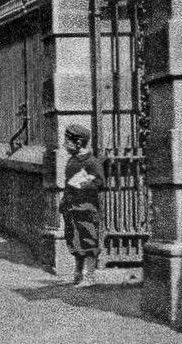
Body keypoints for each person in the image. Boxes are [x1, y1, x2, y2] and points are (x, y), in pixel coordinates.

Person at [60, 123, 106, 287]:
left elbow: (100, 182)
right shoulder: (72, 161)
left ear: (78, 143)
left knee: (89, 240)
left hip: (87, 208)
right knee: (75, 241)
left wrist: (83, 183)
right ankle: (78, 273)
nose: (65, 146)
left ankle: (90, 276)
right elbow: (68, 184)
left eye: (68, 142)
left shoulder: (92, 162)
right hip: (72, 208)